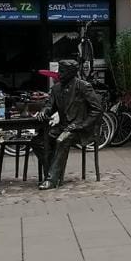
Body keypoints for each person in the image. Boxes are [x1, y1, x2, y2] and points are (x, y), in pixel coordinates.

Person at [35, 59, 100, 190]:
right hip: (63, 127)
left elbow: (97, 109)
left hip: (80, 129)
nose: (59, 73)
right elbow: (49, 106)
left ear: (71, 73)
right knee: (38, 141)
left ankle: (51, 179)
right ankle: (54, 173)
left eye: (62, 71)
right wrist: (43, 111)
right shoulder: (56, 88)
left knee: (62, 140)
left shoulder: (83, 86)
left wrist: (82, 125)